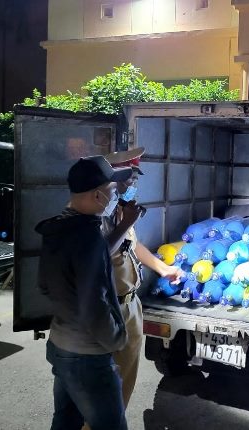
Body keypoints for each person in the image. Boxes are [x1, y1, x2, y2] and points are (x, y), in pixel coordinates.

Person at [36, 155, 133, 430]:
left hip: (61, 345)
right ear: (98, 195)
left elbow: (44, 285)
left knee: (65, 422)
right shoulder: (89, 238)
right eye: (113, 190)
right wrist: (116, 340)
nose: (116, 194)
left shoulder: (56, 228)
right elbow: (95, 305)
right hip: (88, 357)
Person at [103, 147, 184, 408]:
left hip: (129, 305)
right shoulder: (101, 213)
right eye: (129, 179)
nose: (133, 185)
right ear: (112, 179)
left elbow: (132, 245)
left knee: (124, 382)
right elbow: (98, 255)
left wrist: (162, 268)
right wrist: (126, 222)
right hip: (109, 308)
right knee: (105, 389)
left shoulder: (120, 210)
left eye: (135, 179)